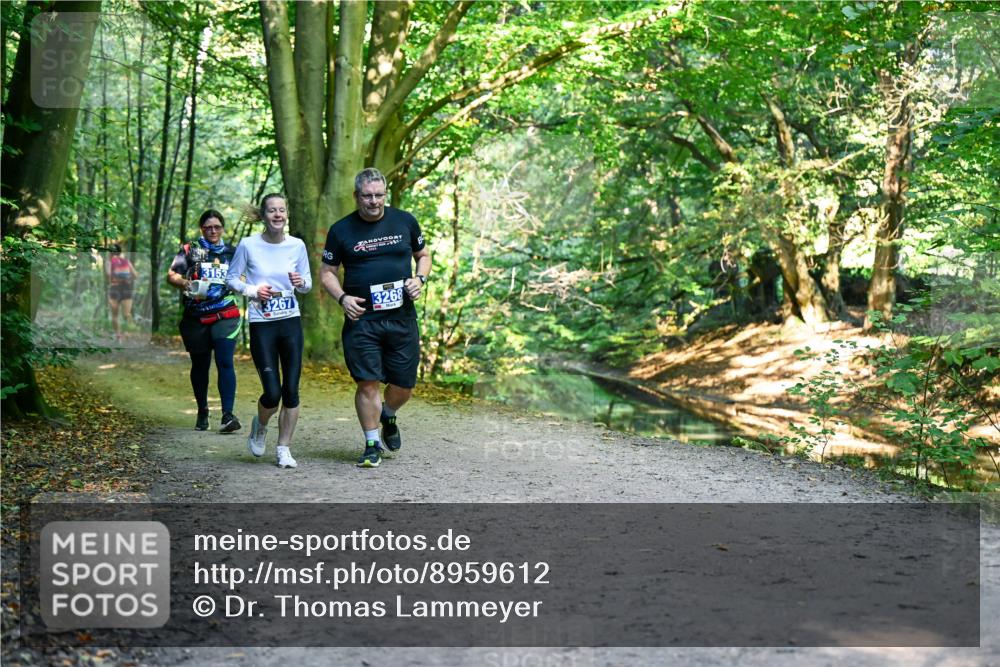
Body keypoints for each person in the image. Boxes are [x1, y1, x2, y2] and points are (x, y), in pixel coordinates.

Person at [320, 168, 431, 468]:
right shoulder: (341, 230)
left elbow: (424, 255)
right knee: (367, 383)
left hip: (401, 318)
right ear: (356, 196)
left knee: (404, 386)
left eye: (379, 195)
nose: (374, 201)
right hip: (362, 319)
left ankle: (388, 414)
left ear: (385, 194)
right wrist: (343, 298)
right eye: (367, 196)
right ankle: (371, 444)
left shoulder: (405, 221)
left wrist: (419, 280)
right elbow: (327, 272)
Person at [227, 193, 311, 469]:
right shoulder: (248, 245)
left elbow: (307, 284)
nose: (277, 215)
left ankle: (284, 448)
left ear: (287, 214)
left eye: (281, 210)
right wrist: (253, 290)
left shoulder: (297, 245)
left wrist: (300, 282)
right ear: (263, 215)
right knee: (273, 393)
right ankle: (260, 426)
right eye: (272, 210)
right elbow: (231, 279)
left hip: (290, 321)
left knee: (292, 390)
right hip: (262, 323)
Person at [167, 210, 242, 434]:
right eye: (208, 227)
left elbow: (245, 277)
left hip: (225, 313)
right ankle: (202, 410)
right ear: (202, 229)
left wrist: (240, 283)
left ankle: (228, 415)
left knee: (225, 361)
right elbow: (171, 275)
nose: (213, 231)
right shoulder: (191, 250)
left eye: (217, 227)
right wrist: (185, 283)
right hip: (196, 316)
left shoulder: (232, 252)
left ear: (223, 228)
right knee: (200, 366)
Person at [106, 243, 137, 343]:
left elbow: (109, 275)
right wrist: (127, 278)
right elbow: (135, 275)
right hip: (126, 288)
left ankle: (119, 336)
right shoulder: (126, 262)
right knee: (127, 314)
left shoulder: (109, 262)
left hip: (114, 288)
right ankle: (127, 332)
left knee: (115, 315)